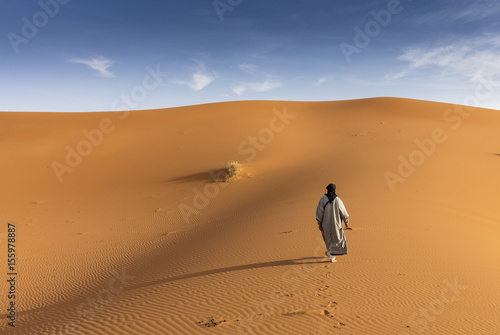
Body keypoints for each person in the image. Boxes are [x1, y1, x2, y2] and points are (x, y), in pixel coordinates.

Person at [316, 183, 349, 262]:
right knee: (337, 239)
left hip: (326, 224)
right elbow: (343, 212)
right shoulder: (338, 200)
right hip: (336, 225)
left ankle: (329, 252)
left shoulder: (323, 199)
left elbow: (319, 212)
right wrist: (346, 221)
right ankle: (332, 257)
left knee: (328, 239)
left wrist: (319, 224)